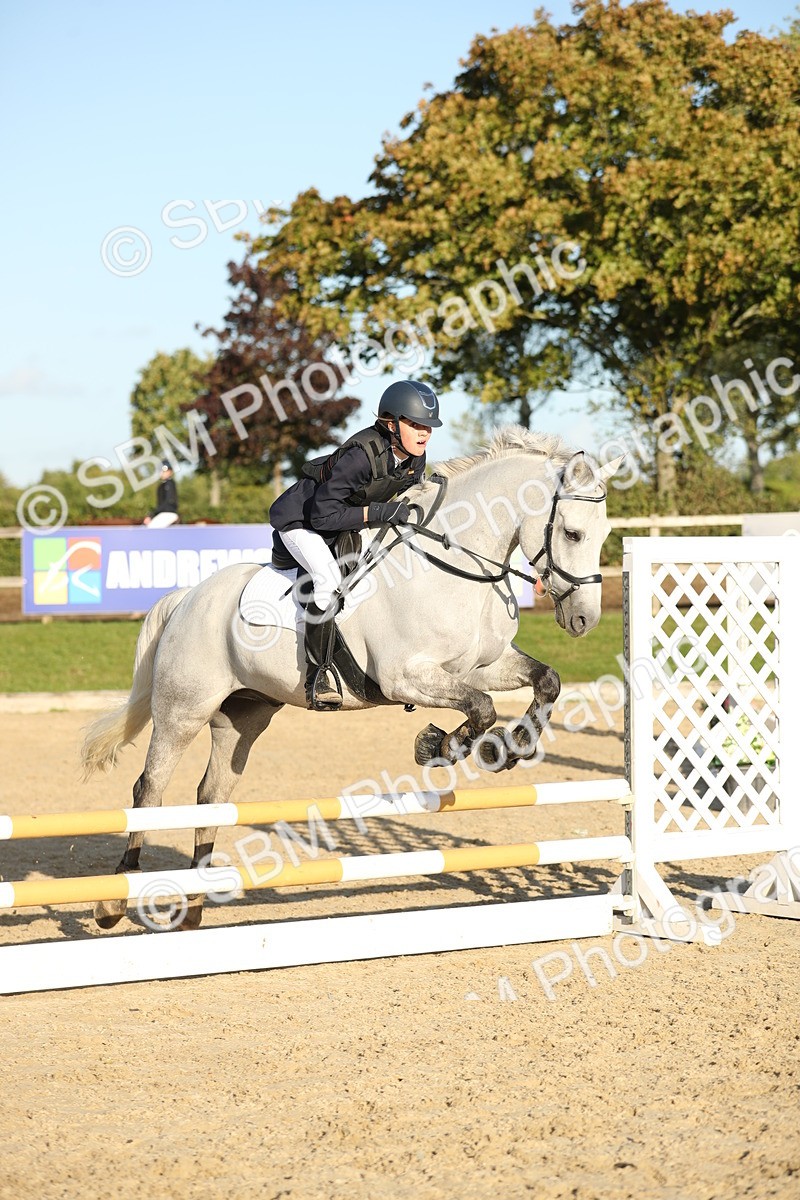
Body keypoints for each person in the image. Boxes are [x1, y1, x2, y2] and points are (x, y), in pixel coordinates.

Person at [270, 379, 442, 711]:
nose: (424, 433)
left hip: (341, 522)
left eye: (429, 426)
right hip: (301, 522)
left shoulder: (414, 458)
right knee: (328, 580)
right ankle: (317, 676)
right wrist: (380, 511)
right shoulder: (360, 457)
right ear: (391, 424)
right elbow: (321, 517)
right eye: (416, 424)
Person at [144, 461, 179, 528]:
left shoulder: (169, 483)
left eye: (164, 471)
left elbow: (168, 502)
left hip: (168, 513)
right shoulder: (162, 485)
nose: (162, 473)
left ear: (170, 472)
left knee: (151, 528)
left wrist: (152, 515)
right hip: (163, 513)